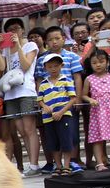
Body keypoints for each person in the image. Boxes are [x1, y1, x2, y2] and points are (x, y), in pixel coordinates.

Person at [34, 26, 85, 173]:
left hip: (68, 101)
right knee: (53, 136)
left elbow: (77, 77)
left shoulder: (72, 56)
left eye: (57, 38)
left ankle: (73, 162)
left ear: (63, 38)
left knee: (72, 133)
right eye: (50, 39)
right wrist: (41, 101)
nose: (54, 42)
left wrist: (78, 98)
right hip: (49, 103)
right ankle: (58, 164)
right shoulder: (42, 60)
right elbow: (39, 80)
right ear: (45, 42)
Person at [1, 18, 42, 176]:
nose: (13, 32)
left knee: (29, 129)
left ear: (22, 30)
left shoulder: (30, 45)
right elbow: (1, 69)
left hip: (26, 91)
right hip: (10, 93)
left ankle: (34, 164)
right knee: (21, 131)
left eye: (16, 28)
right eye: (9, 29)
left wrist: (18, 45)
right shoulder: (5, 49)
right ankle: (31, 165)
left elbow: (25, 66)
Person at [37, 53, 77, 176]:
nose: (53, 69)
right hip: (48, 117)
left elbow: (73, 99)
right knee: (53, 142)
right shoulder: (43, 84)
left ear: (61, 66)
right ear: (45, 68)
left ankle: (66, 166)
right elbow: (39, 100)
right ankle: (58, 166)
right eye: (50, 66)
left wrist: (61, 112)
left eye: (56, 66)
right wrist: (45, 106)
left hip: (64, 114)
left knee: (66, 140)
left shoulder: (67, 80)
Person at [82, 50, 110, 171]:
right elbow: (84, 95)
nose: (98, 65)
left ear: (107, 62)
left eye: (101, 61)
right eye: (94, 62)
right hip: (98, 111)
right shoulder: (89, 79)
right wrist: (90, 100)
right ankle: (100, 163)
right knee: (97, 138)